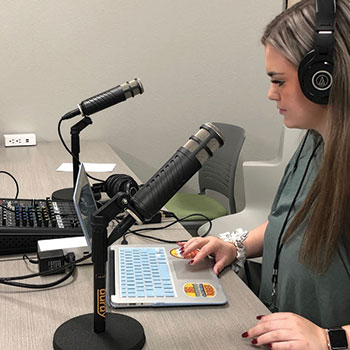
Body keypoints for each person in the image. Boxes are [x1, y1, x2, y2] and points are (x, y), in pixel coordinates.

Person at [178, 0, 350, 348]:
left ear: (323, 78)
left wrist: (330, 339)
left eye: (279, 81)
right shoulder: (315, 142)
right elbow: (290, 221)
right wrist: (234, 245)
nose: (271, 94)